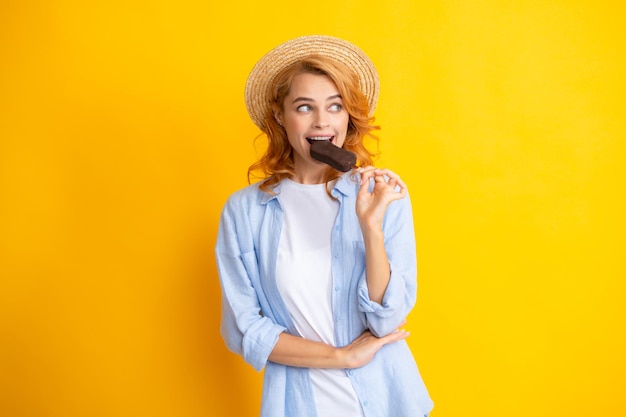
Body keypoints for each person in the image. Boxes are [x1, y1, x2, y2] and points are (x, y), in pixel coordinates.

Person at [215, 35, 433, 417]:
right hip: (299, 404)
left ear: (348, 116)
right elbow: (242, 330)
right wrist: (340, 356)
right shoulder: (244, 212)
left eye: (335, 106)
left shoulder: (382, 197)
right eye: (304, 107)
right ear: (281, 116)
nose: (322, 121)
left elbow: (387, 320)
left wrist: (371, 227)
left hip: (386, 401)